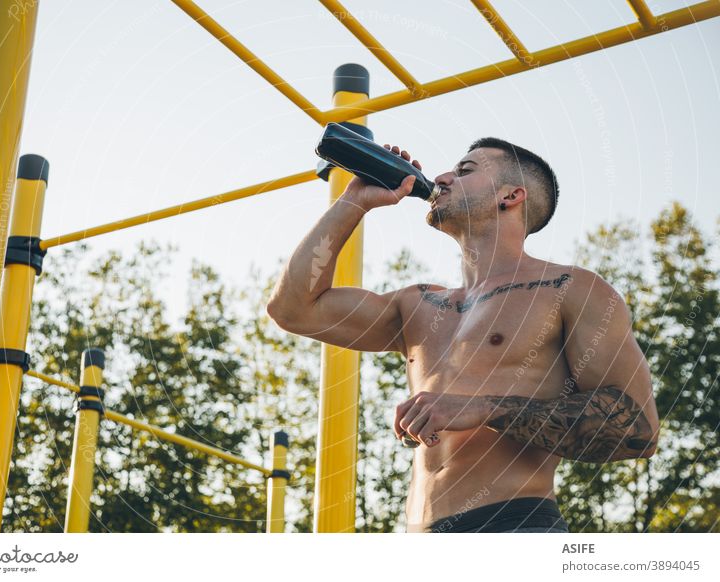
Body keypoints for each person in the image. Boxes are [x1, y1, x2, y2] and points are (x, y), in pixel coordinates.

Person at [266, 138, 659, 533]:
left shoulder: (570, 289)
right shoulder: (419, 305)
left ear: (511, 195)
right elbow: (293, 309)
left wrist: (484, 407)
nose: (440, 178)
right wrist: (355, 201)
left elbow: (638, 430)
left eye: (465, 170)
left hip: (515, 527)